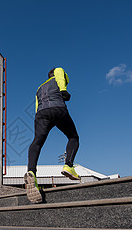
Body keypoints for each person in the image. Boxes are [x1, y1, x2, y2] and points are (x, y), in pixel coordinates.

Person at [24, 67, 80, 203]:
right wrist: (63, 91)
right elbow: (60, 74)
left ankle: (31, 172)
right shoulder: (59, 74)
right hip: (57, 109)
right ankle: (69, 165)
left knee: (37, 142)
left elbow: (37, 106)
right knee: (73, 137)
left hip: (41, 114)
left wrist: (39, 119)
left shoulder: (39, 87)